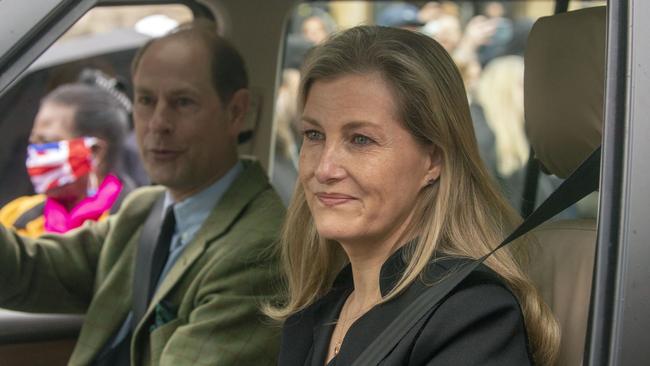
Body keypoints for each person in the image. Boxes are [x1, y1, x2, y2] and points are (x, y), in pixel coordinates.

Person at [269, 26, 559, 365]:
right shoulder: (318, 311)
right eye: (314, 134)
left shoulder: (471, 316)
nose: (324, 169)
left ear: (433, 159)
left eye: (361, 139)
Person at [0, 21, 284, 366]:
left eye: (183, 102)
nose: (157, 123)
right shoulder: (146, 210)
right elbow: (30, 271)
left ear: (236, 112)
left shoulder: (259, 250)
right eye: (146, 100)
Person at [0, 82, 133, 237]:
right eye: (33, 142)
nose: (35, 154)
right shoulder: (16, 214)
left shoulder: (132, 225)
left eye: (46, 142)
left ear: (95, 151)